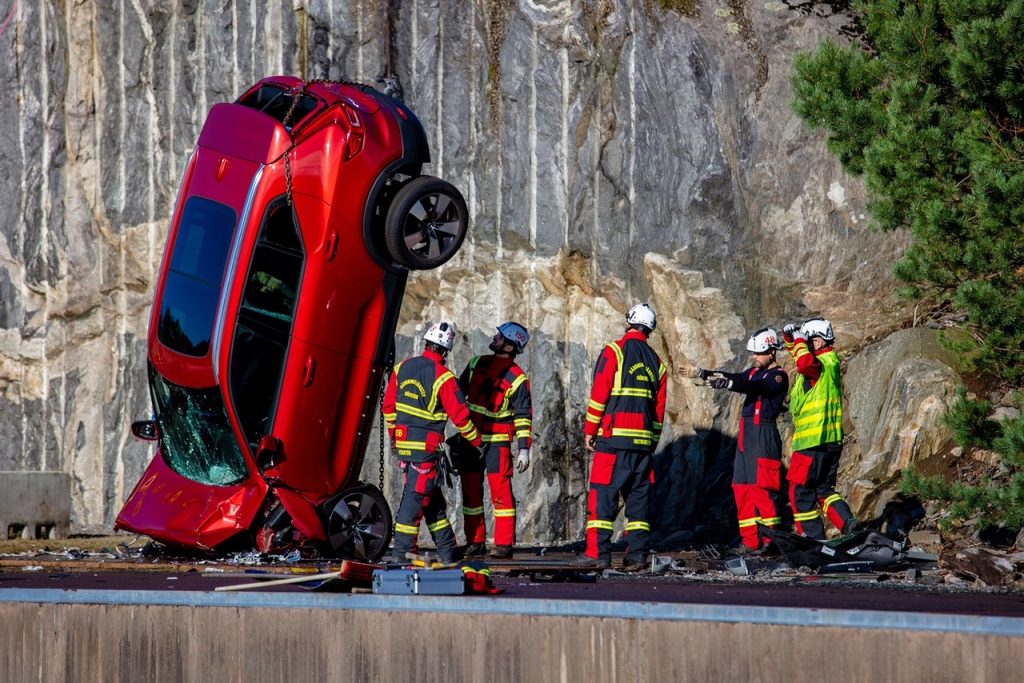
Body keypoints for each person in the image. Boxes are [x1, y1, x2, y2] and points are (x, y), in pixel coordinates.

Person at [680, 327, 789, 553]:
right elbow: (735, 378)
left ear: (772, 352)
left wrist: (729, 385)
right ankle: (750, 541)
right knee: (741, 488)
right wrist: (702, 372)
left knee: (762, 490)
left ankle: (771, 542)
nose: (754, 357)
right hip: (747, 437)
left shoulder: (778, 376)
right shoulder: (753, 372)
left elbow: (757, 387)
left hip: (763, 435)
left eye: (758, 353)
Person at [382, 321, 482, 565]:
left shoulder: (401, 368)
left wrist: (396, 437)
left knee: (432, 502)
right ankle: (401, 555)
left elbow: (389, 408)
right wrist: (478, 442)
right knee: (413, 503)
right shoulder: (444, 377)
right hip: (426, 451)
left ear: (425, 343)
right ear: (445, 351)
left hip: (405, 448)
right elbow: (460, 417)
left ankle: (448, 552)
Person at [578, 303, 667, 570]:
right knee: (638, 503)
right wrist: (650, 444)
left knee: (602, 497)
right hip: (642, 446)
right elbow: (658, 413)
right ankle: (637, 555)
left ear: (629, 322)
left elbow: (600, 394)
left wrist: (590, 431)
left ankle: (597, 554)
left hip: (613, 441)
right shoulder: (658, 363)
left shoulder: (615, 350)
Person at [456, 322, 534, 560]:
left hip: (497, 444)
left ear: (510, 345)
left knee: (501, 495)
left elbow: (523, 416)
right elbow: (456, 396)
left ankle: (503, 545)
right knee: (471, 494)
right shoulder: (476, 363)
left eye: (499, 336)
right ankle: (475, 541)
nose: (494, 336)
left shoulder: (519, 378)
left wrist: (523, 450)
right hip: (470, 439)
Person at [781, 317, 858, 540]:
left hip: (812, 442)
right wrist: (790, 338)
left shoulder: (818, 364)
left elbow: (804, 362)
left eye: (809, 341)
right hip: (829, 442)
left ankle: (812, 540)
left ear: (819, 341)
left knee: (800, 491)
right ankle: (848, 524)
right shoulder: (828, 361)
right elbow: (800, 356)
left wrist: (797, 339)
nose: (805, 345)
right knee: (824, 490)